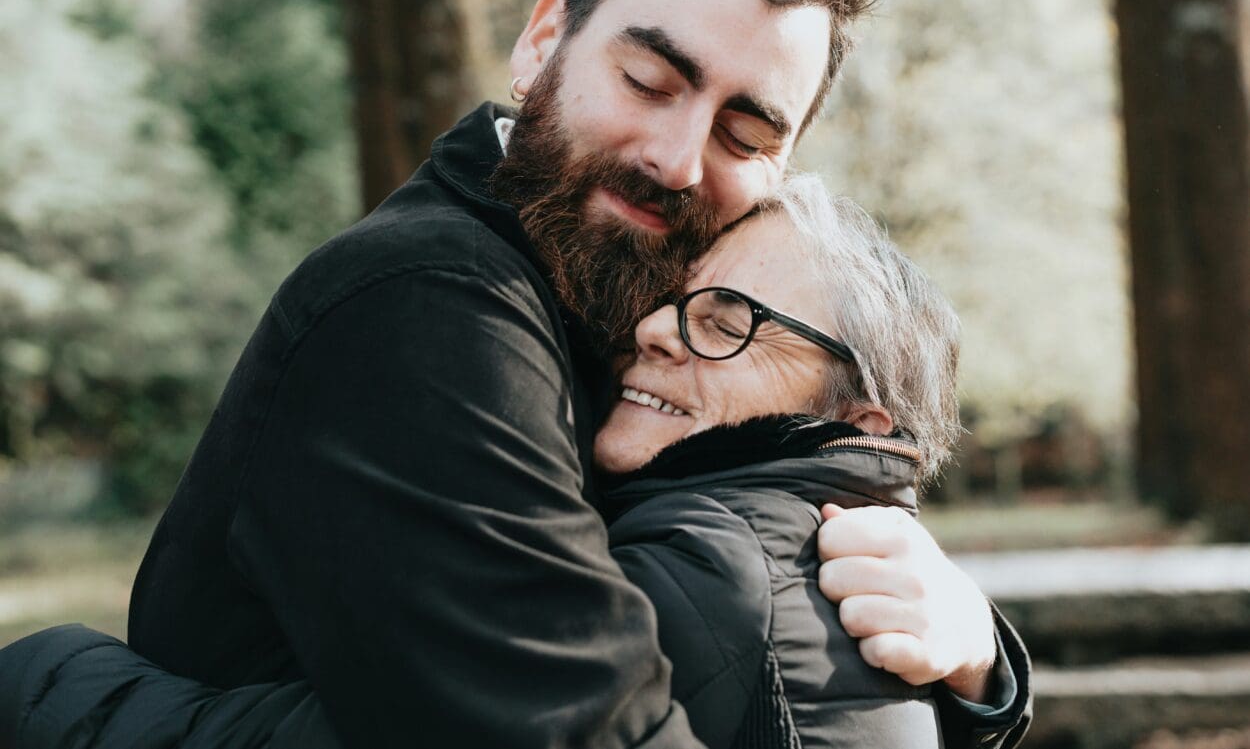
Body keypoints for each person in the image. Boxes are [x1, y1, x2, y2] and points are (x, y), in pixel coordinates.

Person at [0, 0, 1031, 746]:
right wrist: (54, 690)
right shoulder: (427, 308)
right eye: (648, 80)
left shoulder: (612, 304)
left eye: (743, 132)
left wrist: (978, 662)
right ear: (542, 41)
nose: (677, 158)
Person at [0, 181, 1030, 749]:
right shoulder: (821, 568)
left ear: (852, 414)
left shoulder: (700, 580)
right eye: (674, 298)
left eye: (728, 323)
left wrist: (41, 674)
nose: (661, 332)